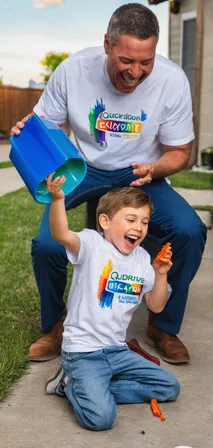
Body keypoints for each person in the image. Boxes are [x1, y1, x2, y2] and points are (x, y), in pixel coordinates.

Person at [11, 3, 206, 364]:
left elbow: (180, 150)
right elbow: (41, 126)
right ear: (107, 44)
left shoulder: (172, 79)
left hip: (139, 173)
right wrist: (25, 133)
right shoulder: (73, 71)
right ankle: (55, 326)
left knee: (189, 230)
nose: (136, 72)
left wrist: (157, 168)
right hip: (84, 169)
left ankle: (163, 325)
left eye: (145, 62)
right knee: (47, 245)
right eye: (127, 61)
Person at [44, 173, 179, 431]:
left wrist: (161, 273)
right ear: (105, 221)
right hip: (83, 352)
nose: (139, 228)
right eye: (130, 219)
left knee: (169, 387)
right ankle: (70, 384)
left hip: (117, 352)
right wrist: (58, 199)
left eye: (145, 222)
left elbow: (157, 305)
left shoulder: (141, 259)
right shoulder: (91, 244)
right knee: (101, 419)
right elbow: (60, 233)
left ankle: (94, 387)